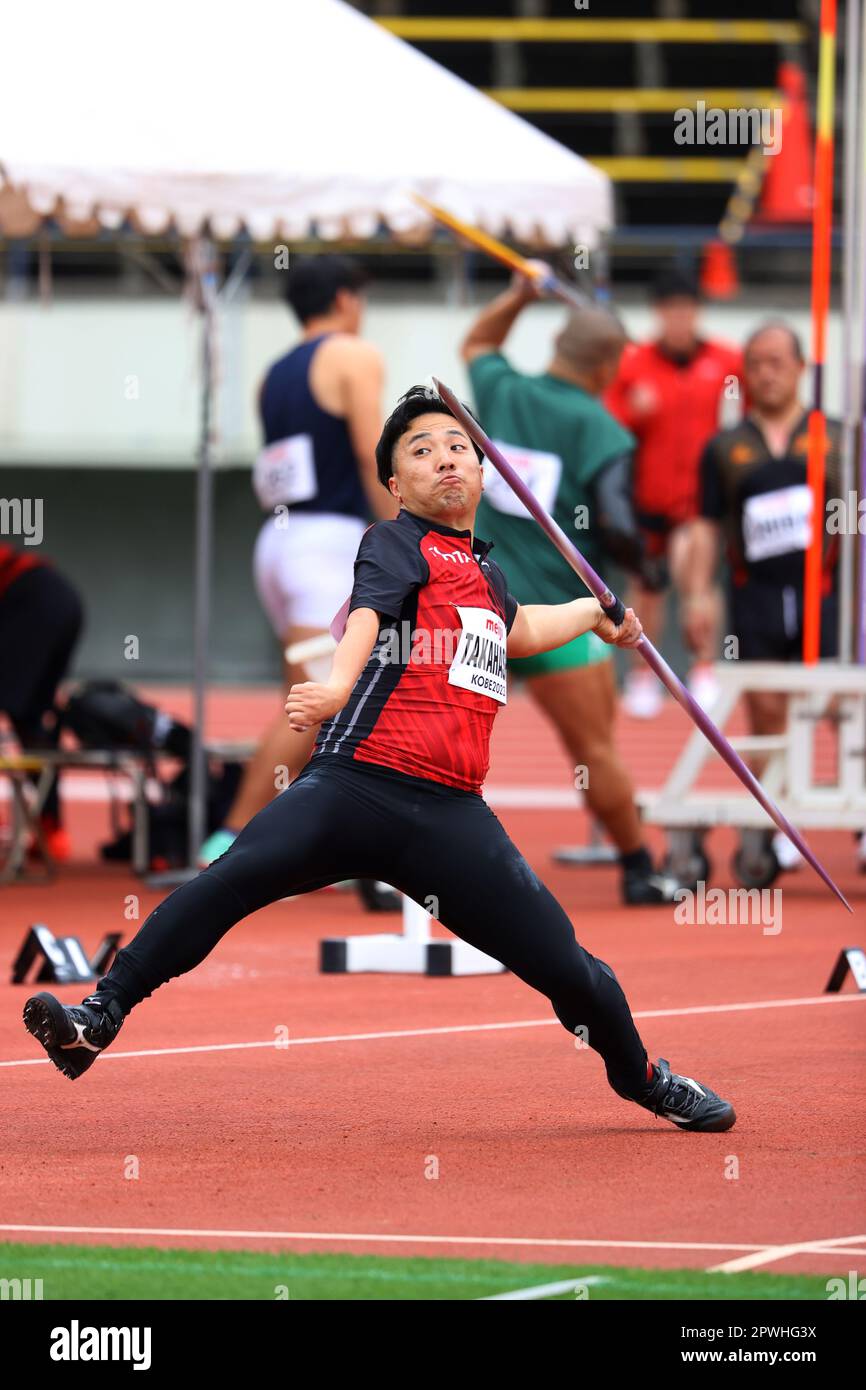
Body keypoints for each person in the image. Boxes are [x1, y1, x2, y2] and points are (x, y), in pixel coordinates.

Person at [22, 386, 735, 1133]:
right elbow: (368, 611)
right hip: (353, 788)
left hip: (453, 817)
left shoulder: (487, 577)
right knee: (223, 884)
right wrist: (334, 684)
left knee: (570, 969)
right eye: (421, 452)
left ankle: (645, 1078)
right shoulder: (394, 544)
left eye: (457, 447)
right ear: (397, 486)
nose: (444, 459)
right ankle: (97, 1018)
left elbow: (519, 630)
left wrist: (594, 613)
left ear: (483, 472)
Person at [461, 268, 679, 906]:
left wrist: (517, 296)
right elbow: (613, 522)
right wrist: (646, 564)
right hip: (561, 617)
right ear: (609, 363)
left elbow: (476, 343)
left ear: (558, 343)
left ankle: (388, 867)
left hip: (477, 607)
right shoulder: (600, 428)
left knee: (432, 740)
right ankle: (638, 865)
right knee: (594, 749)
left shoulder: (501, 388)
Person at [198, 255, 397, 906]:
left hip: (278, 543)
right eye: (360, 299)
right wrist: (407, 537)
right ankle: (227, 842)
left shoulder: (272, 374)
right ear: (344, 298)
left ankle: (304, 845)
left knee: (313, 698)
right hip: (327, 542)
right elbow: (376, 454)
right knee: (318, 698)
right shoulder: (353, 355)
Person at [683, 320, 860, 872]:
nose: (766, 373)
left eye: (777, 361)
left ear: (801, 367)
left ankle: (859, 825)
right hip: (753, 595)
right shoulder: (726, 447)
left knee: (847, 706)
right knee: (766, 712)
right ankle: (779, 827)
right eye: (755, 363)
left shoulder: (838, 437)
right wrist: (696, 593)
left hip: (827, 594)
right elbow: (707, 526)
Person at [605, 267, 743, 717]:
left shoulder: (724, 361)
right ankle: (645, 676)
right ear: (658, 313)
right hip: (647, 496)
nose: (679, 319)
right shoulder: (634, 364)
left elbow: (750, 406)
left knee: (696, 578)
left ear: (697, 311)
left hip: (698, 499)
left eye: (687, 309)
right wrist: (635, 411)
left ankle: (703, 667)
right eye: (670, 310)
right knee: (647, 589)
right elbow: (610, 423)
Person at [0, 545, 84, 861]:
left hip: (36, 602)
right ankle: (51, 828)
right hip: (62, 602)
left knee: (26, 712)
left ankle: (50, 828)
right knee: (32, 717)